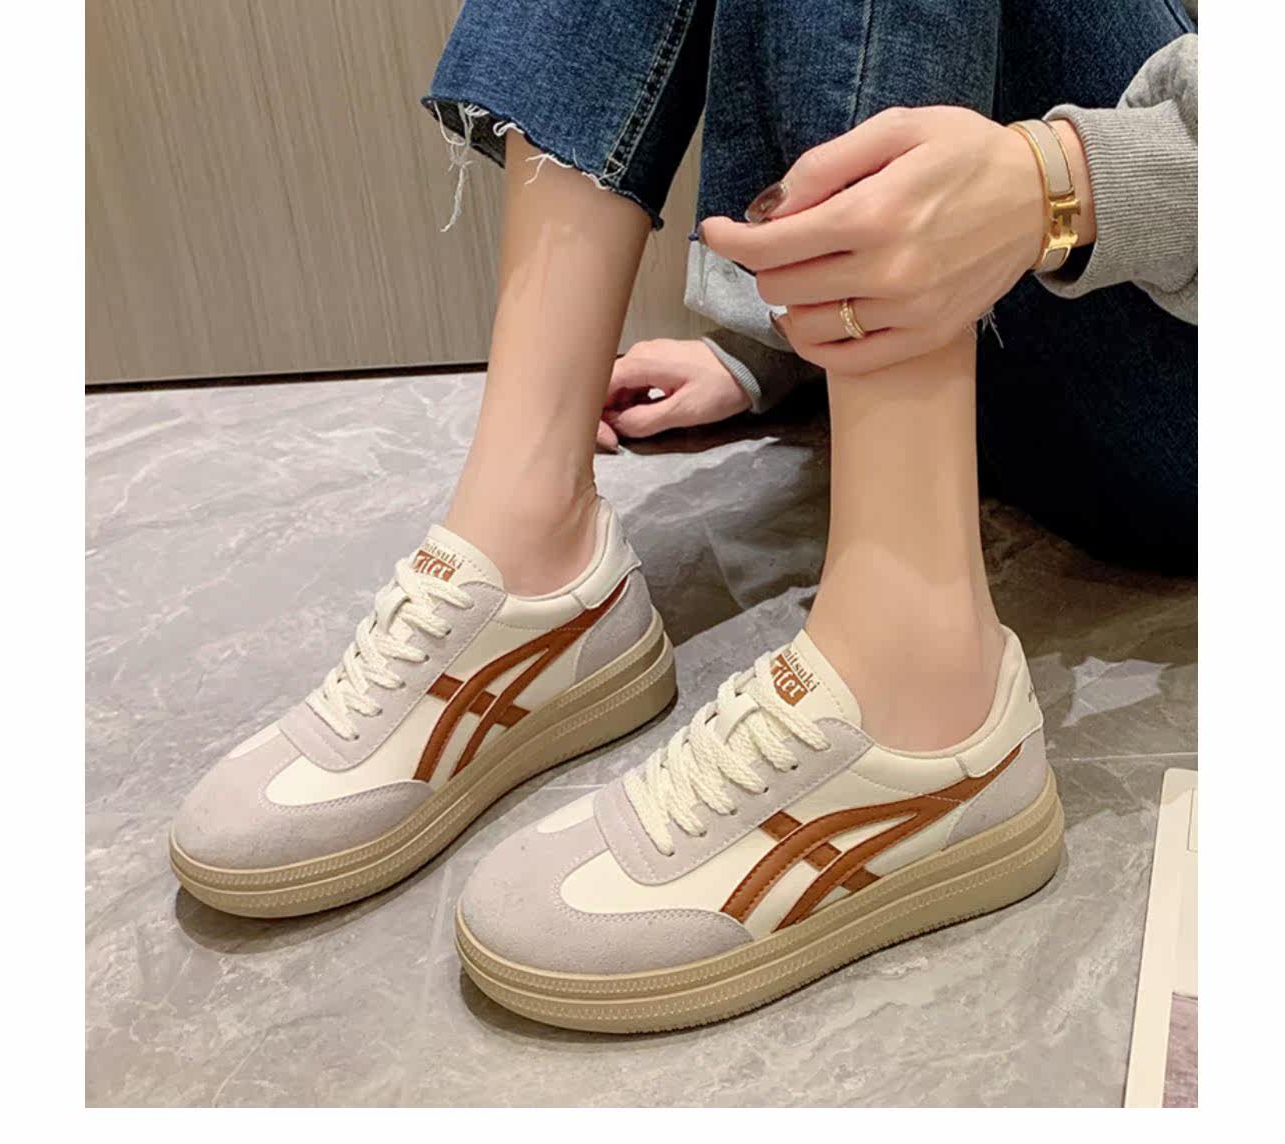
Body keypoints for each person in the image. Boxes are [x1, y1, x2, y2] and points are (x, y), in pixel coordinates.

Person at [170, 0, 1196, 1033]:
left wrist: (1064, 179)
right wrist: (767, 351)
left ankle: (916, 679)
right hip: (1034, 324)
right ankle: (526, 543)